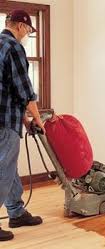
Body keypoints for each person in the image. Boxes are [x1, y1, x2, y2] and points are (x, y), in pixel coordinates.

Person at [0, 9, 46, 241]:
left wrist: (26, 121)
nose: (28, 34)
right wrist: (39, 120)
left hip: (7, 117)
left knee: (8, 167)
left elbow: (7, 91)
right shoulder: (14, 47)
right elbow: (25, 91)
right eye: (28, 29)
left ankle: (16, 212)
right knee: (3, 171)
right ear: (19, 25)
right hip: (3, 122)